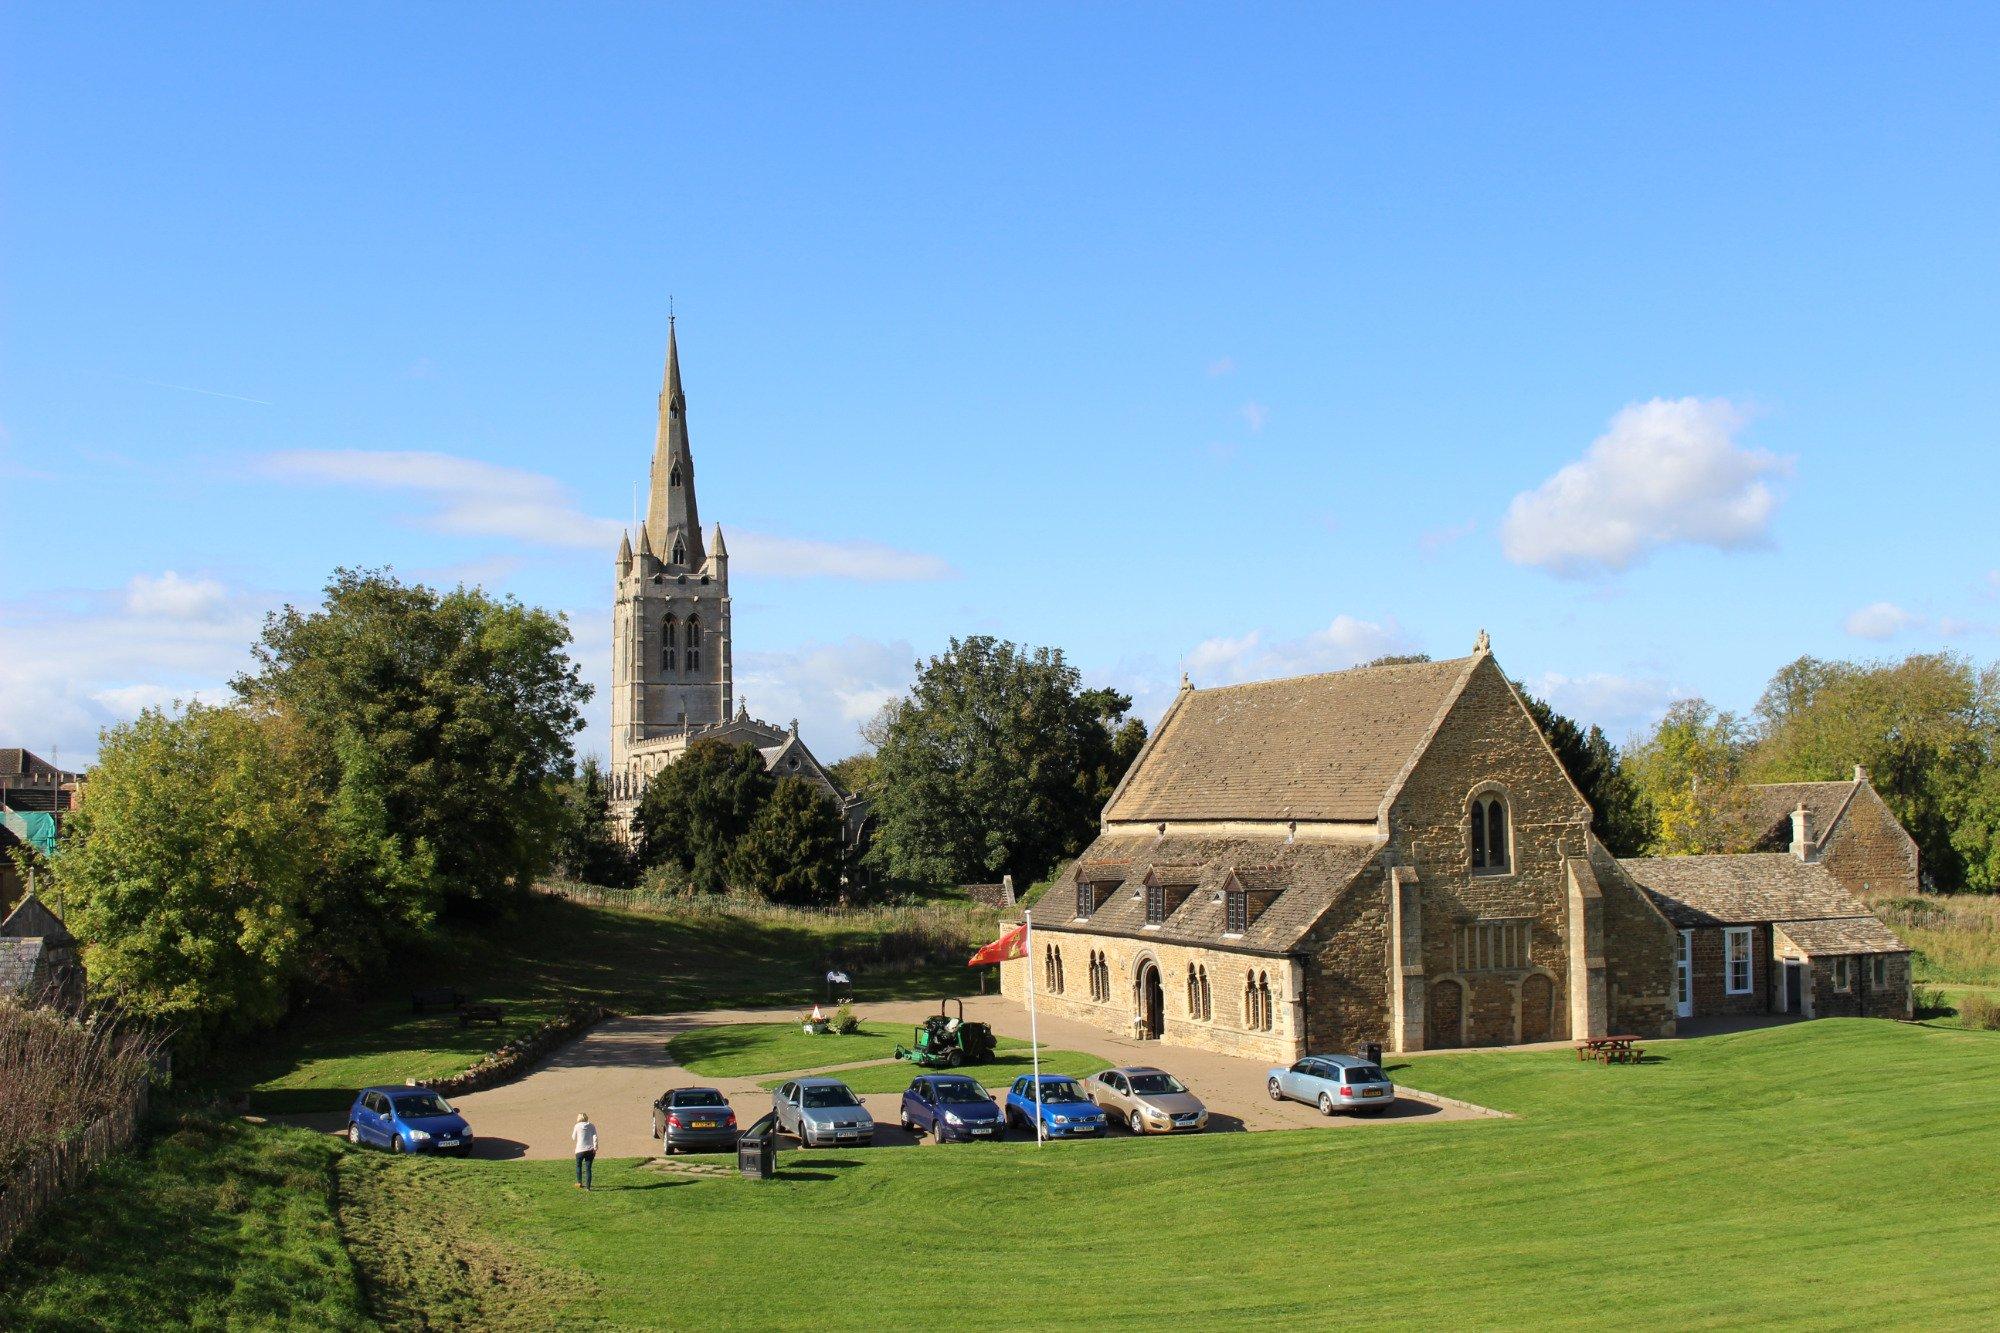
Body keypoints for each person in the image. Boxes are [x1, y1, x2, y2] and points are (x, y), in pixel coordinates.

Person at [572, 1112, 598, 1190]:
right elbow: (595, 1137)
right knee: (588, 1169)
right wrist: (595, 1147)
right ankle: (588, 1188)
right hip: (590, 1150)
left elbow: (573, 1137)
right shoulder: (592, 1126)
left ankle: (579, 1183)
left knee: (578, 1166)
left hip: (580, 1150)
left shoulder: (577, 1126)